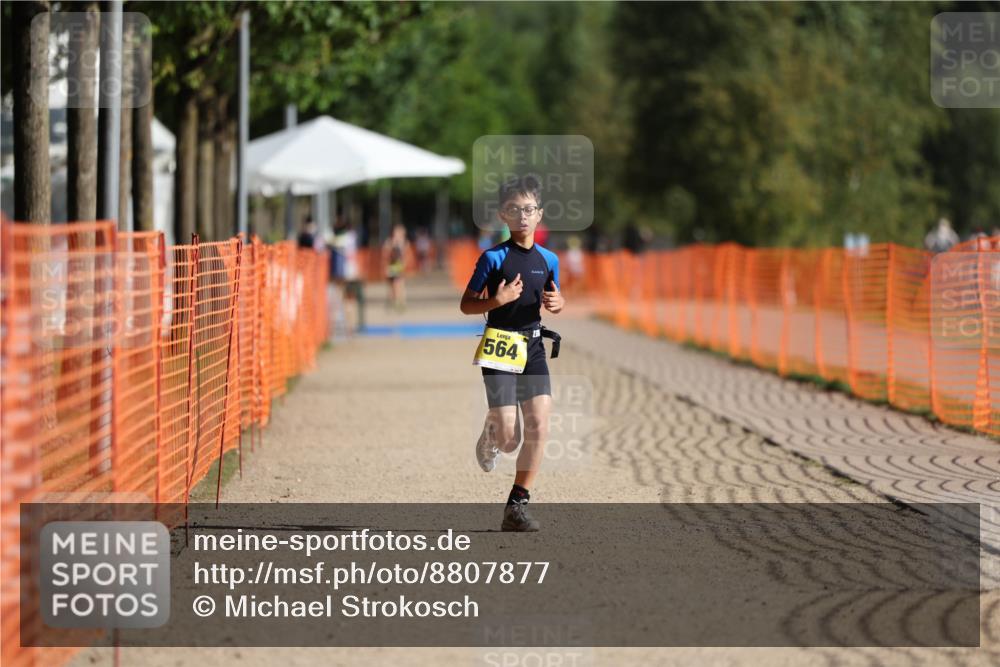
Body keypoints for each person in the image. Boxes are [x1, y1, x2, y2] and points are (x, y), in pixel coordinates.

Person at [459, 175, 564, 532]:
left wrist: (558, 302)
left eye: (529, 209)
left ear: (539, 215)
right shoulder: (492, 257)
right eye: (515, 210)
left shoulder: (549, 259)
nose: (523, 216)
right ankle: (492, 432)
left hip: (533, 346)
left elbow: (555, 297)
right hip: (500, 345)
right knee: (510, 439)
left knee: (539, 426)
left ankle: (516, 505)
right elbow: (466, 305)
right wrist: (496, 301)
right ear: (503, 215)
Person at [383, 224, 409, 310]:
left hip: (399, 265)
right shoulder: (390, 242)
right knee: (392, 285)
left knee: (399, 283)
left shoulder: (404, 242)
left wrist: (404, 264)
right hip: (391, 265)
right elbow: (385, 254)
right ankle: (393, 300)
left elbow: (406, 254)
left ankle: (400, 302)